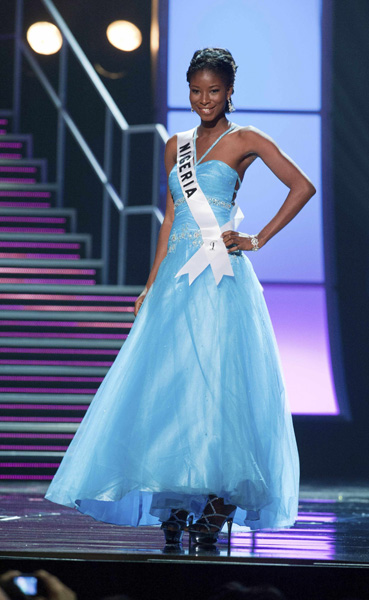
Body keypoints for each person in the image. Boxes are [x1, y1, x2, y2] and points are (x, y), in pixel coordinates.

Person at [45, 47, 315, 547]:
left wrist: (257, 238)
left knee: (220, 391)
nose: (204, 100)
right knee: (170, 391)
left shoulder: (247, 139)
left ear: (230, 91)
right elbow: (170, 217)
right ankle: (175, 500)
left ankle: (217, 504)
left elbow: (302, 186)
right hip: (177, 280)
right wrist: (150, 283)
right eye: (195, 90)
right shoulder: (176, 146)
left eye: (214, 91)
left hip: (222, 280)